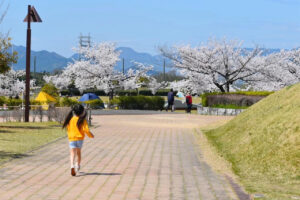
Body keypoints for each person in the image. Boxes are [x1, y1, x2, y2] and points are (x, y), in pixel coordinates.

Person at [63, 104, 94, 176]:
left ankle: (72, 165)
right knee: (78, 153)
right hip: (80, 139)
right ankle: (78, 165)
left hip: (72, 138)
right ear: (82, 112)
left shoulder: (70, 119)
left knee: (72, 153)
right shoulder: (83, 120)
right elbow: (86, 130)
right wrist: (90, 135)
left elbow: (68, 128)